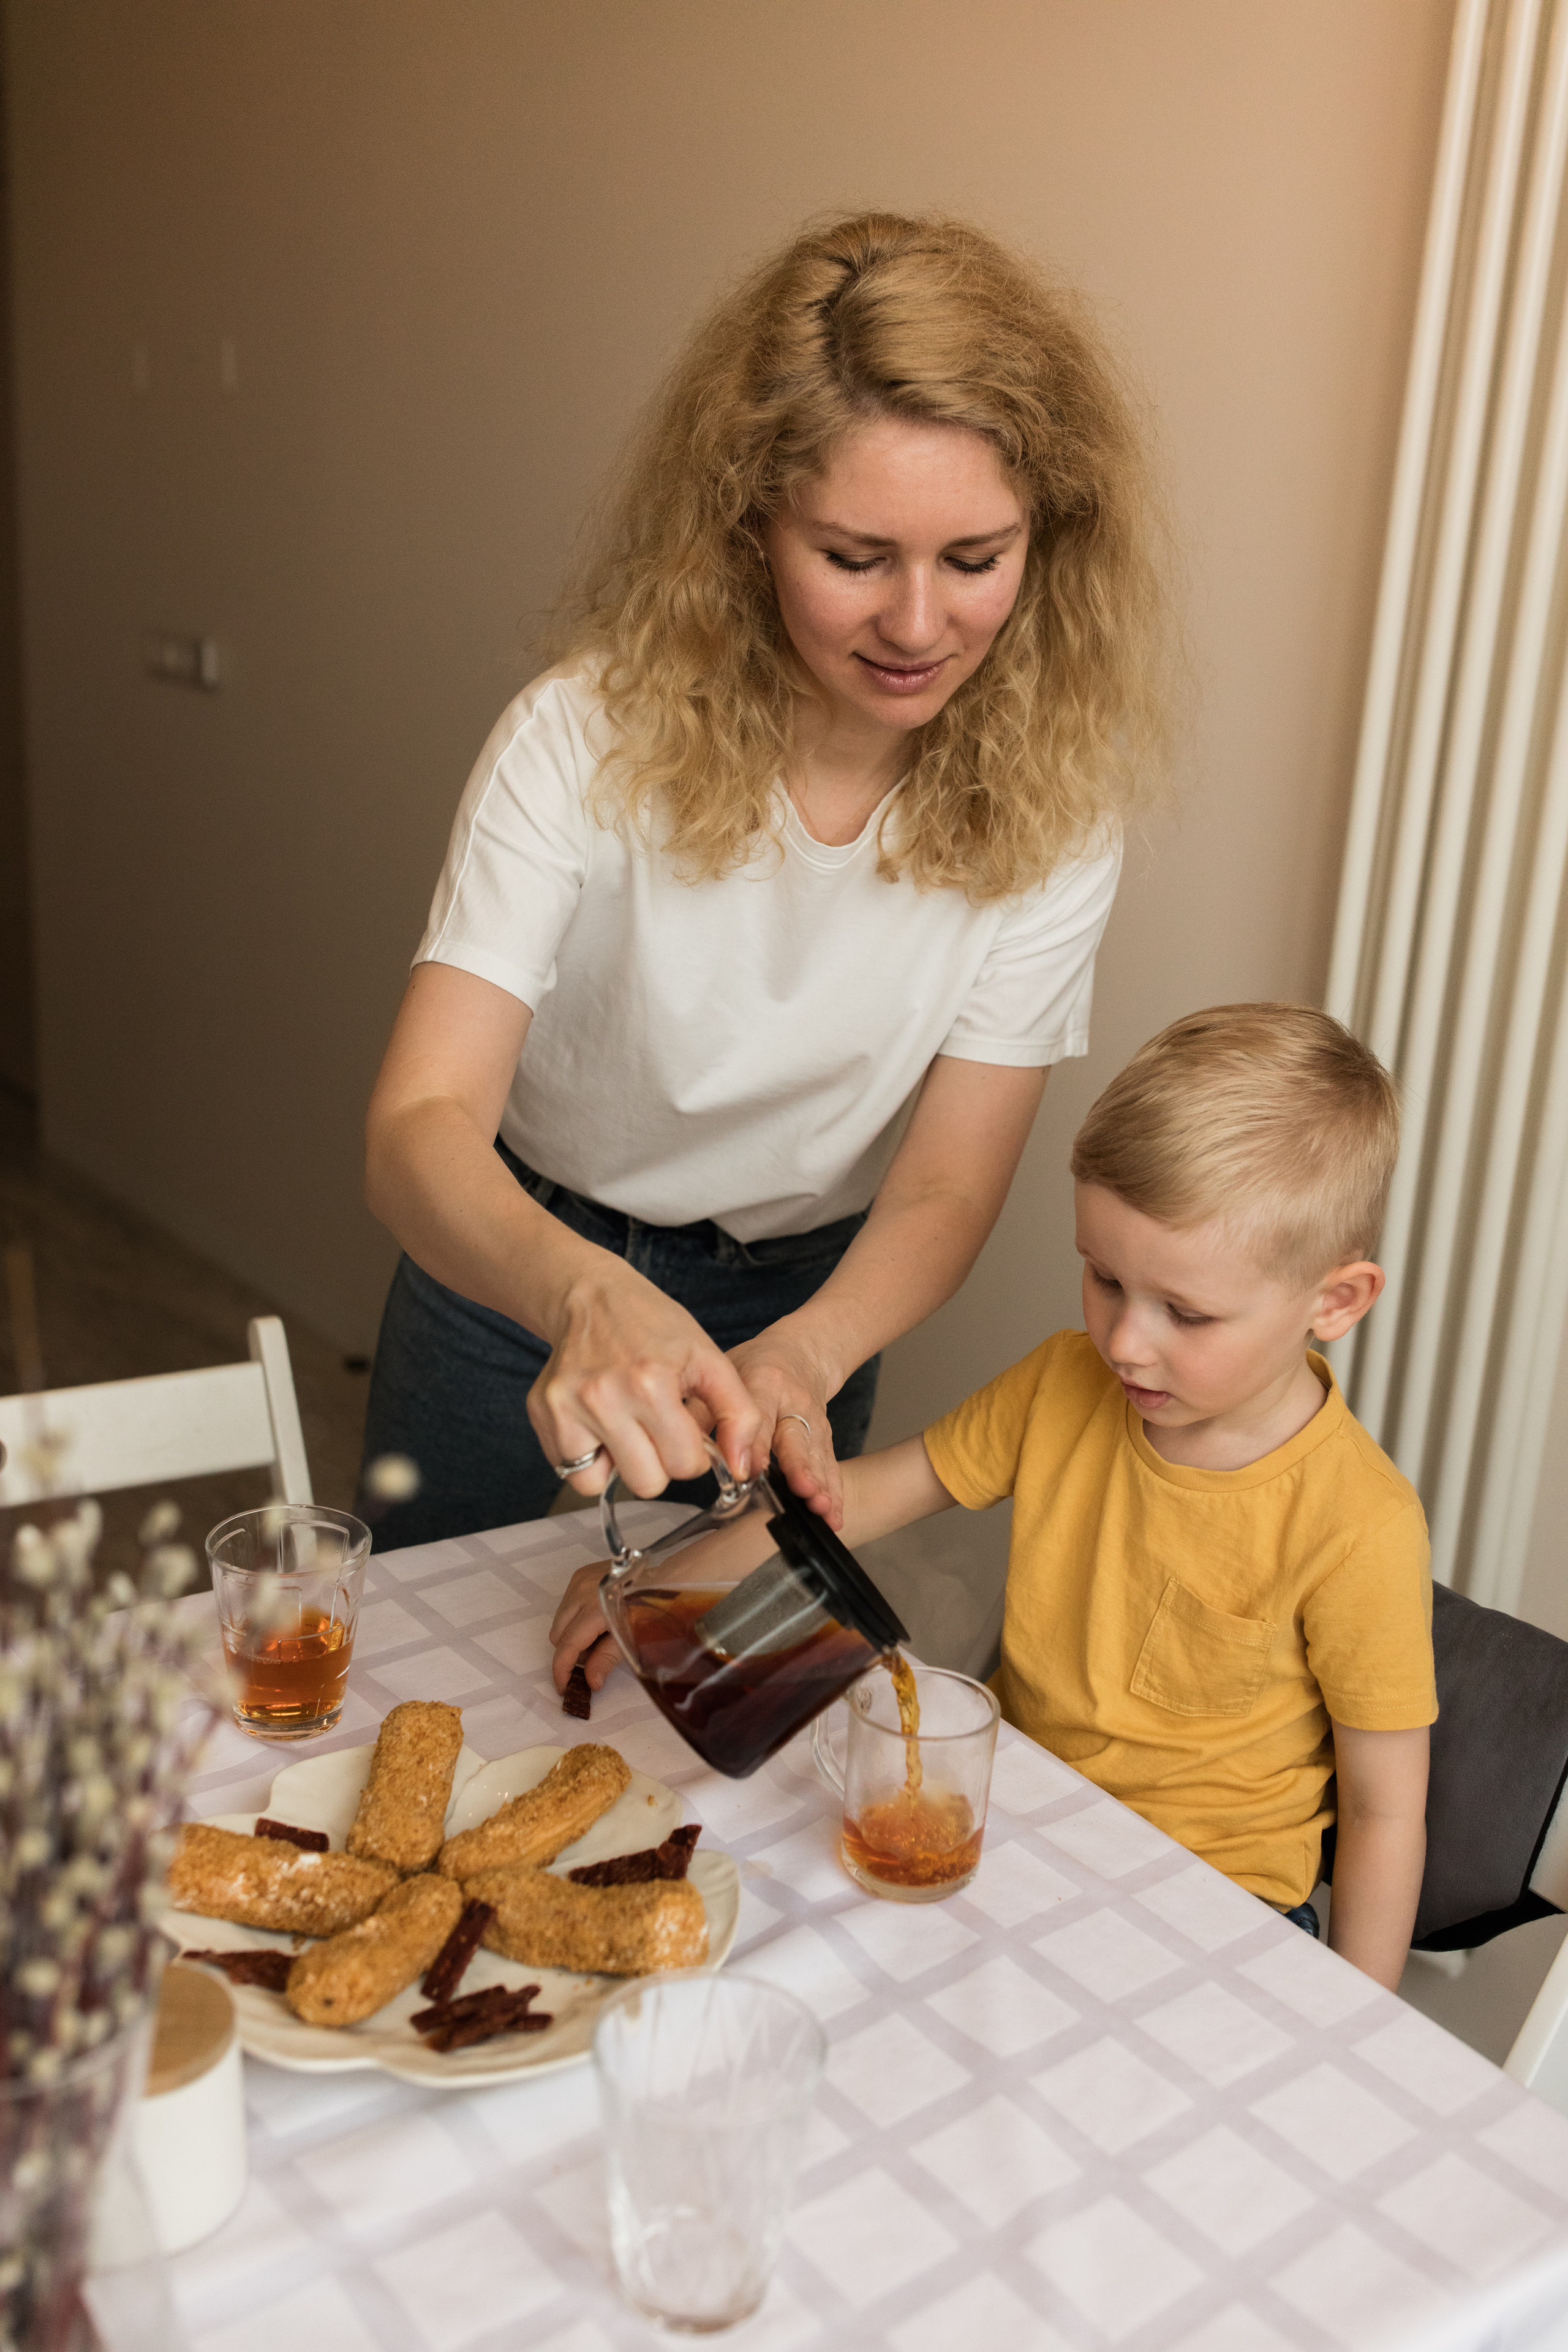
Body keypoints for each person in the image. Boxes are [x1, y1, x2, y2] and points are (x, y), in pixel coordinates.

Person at [360, 210, 1169, 1549]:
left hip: (809, 1308)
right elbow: (417, 1128)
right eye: (853, 558)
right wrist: (573, 1294)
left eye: (975, 560)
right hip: (517, 1271)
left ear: (1048, 537)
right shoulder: (577, 738)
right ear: (748, 525)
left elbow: (944, 1188)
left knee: (732, 1729)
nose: (917, 626)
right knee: (430, 1708)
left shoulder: (1057, 807)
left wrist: (805, 1357)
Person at [551, 1004, 1436, 1988]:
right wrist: (657, 1587)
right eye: (1103, 1278)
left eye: (1185, 1312)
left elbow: (1386, 1811)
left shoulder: (1361, 1526)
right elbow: (851, 1504)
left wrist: (1360, 2017)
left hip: (1218, 1911)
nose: (1126, 1342)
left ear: (1336, 1302)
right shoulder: (1066, 1383)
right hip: (1032, 1828)